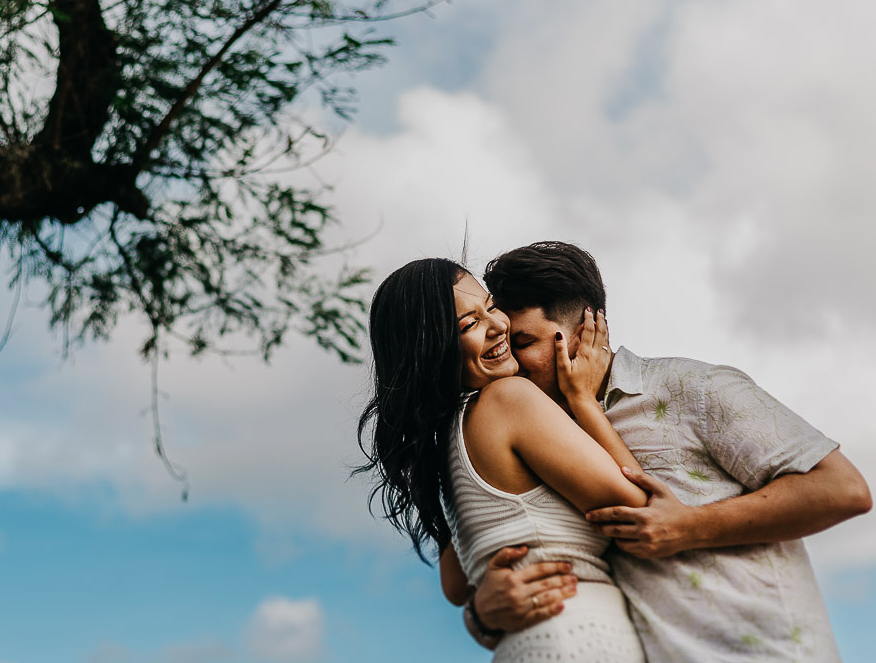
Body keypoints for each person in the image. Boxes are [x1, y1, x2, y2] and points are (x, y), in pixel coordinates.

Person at [456, 241, 871, 662]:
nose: (512, 359)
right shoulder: (535, 436)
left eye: (524, 342)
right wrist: (481, 614)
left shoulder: (695, 388)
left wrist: (690, 526)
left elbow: (843, 488)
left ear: (583, 332)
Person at [358, 257, 652, 661]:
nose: (498, 326)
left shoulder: (445, 447)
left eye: (491, 306)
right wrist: (583, 400)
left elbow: (456, 586)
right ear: (433, 351)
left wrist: (479, 617)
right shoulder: (507, 400)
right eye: (469, 325)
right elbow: (641, 506)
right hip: (579, 639)